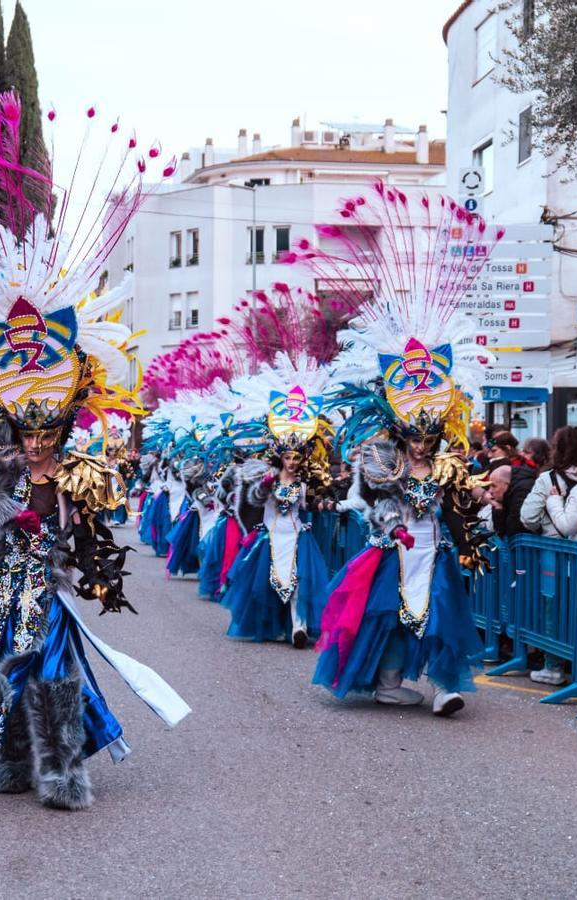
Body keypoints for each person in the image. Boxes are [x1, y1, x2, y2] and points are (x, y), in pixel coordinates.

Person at [0, 90, 190, 810]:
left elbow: (96, 518)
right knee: (5, 672)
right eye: (24, 420)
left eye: (45, 418)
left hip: (48, 587)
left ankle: (61, 772)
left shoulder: (82, 452)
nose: (34, 430)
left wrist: (90, 565)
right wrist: (5, 510)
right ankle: (15, 763)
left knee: (53, 672)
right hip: (2, 581)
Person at [297, 182, 494, 717]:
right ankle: (387, 683)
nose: (419, 438)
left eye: (426, 431)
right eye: (412, 429)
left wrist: (475, 510)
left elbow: (460, 508)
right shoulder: (381, 456)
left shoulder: (450, 460)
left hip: (438, 550)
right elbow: (368, 497)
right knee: (386, 615)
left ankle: (447, 687)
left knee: (445, 615)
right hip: (393, 548)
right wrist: (396, 510)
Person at [219, 356, 334, 648]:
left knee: (299, 582)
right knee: (267, 584)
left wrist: (327, 505)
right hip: (270, 536)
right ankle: (272, 625)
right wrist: (266, 485)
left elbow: (307, 505)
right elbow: (256, 499)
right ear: (280, 457)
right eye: (288, 457)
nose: (293, 462)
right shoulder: (268, 477)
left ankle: (299, 626)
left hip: (297, 537)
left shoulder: (304, 483)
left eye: (297, 458)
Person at [519, 425, 577, 686]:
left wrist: (546, 524)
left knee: (554, 610)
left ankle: (553, 666)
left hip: (554, 551)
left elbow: (527, 517)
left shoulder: (549, 479)